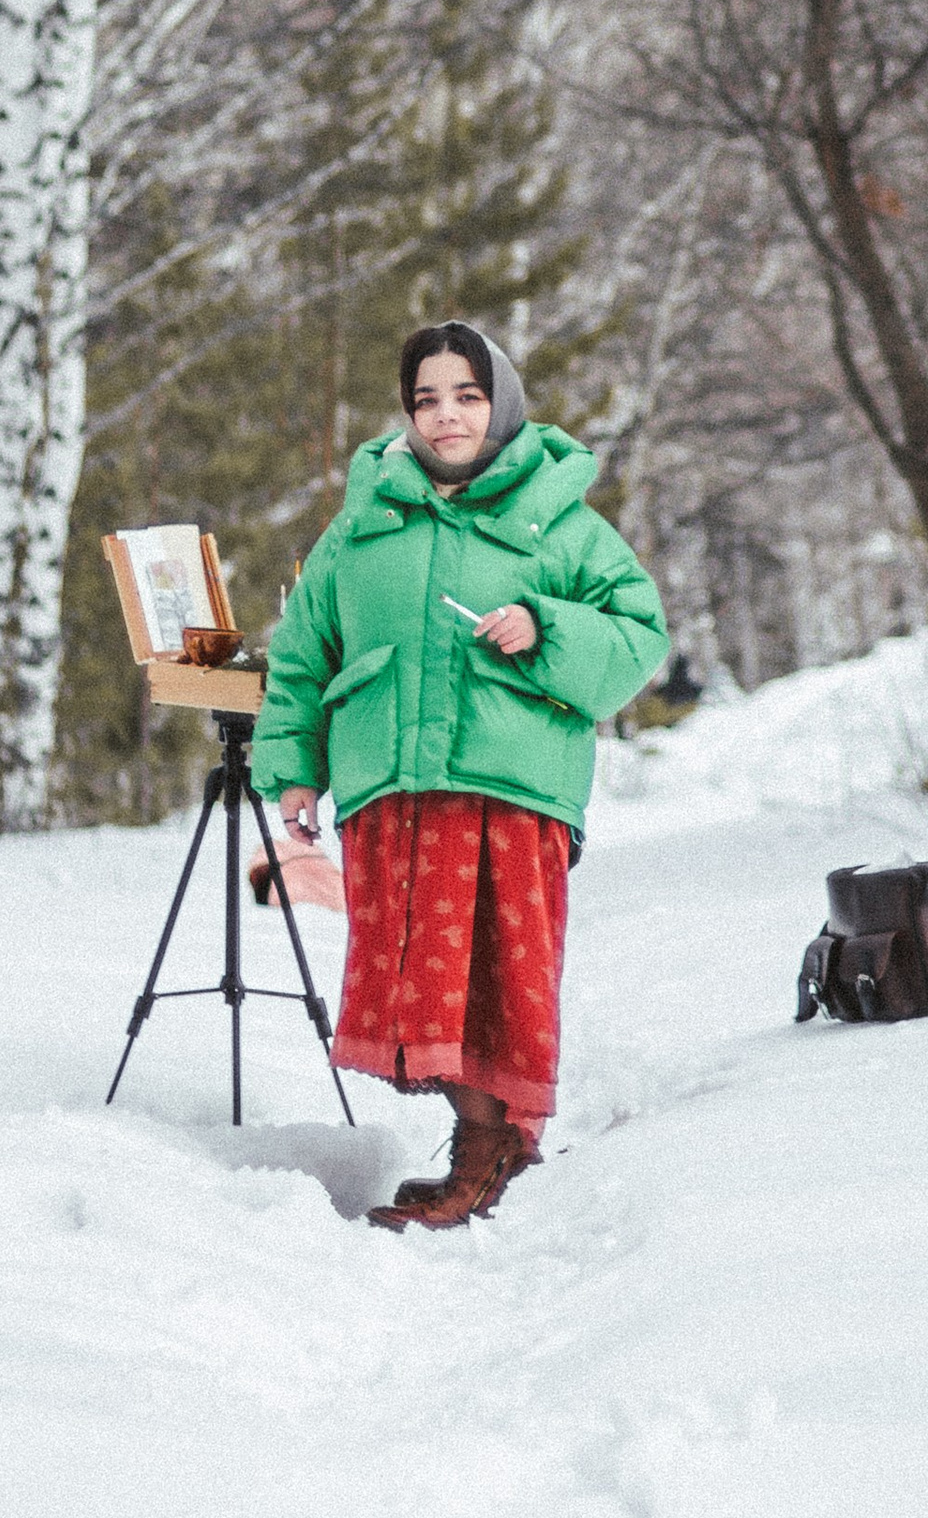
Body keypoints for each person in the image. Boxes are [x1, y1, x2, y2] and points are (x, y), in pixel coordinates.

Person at [252, 318, 667, 1230]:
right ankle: (489, 1146)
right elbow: (305, 653)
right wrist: (294, 768)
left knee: (493, 983)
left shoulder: (560, 520)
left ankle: (490, 1149)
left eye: (467, 396)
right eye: (427, 399)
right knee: (421, 990)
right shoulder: (362, 525)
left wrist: (546, 626)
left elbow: (640, 637)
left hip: (507, 791)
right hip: (394, 792)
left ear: (501, 404)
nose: (446, 415)